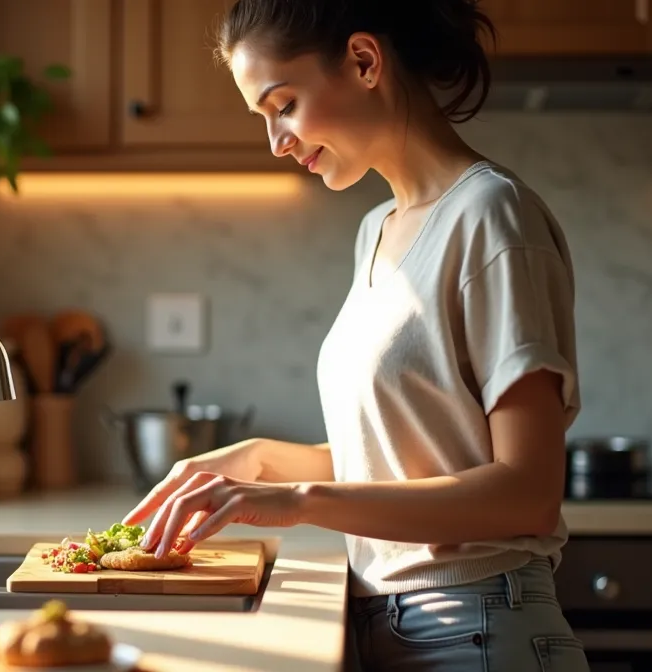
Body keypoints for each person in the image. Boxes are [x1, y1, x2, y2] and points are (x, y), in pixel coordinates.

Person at [120, 1, 591, 670]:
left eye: (283, 105)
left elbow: (528, 495)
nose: (276, 142)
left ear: (365, 62)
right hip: (394, 627)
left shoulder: (492, 216)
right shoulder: (377, 229)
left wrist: (299, 502)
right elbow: (400, 463)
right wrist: (257, 460)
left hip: (478, 629)